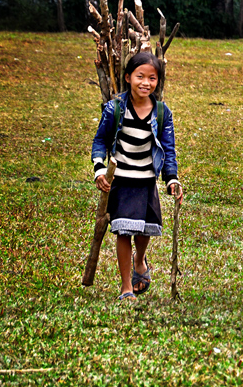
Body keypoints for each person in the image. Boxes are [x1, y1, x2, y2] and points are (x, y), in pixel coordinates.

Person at [91, 52, 183, 301]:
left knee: (145, 231)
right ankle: (126, 287)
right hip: (121, 181)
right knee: (124, 231)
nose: (145, 83)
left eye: (152, 78)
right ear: (128, 77)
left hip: (146, 181)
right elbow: (100, 140)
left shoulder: (162, 114)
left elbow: (169, 149)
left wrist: (172, 178)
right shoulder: (115, 109)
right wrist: (100, 169)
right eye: (140, 76)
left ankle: (139, 260)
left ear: (158, 82)